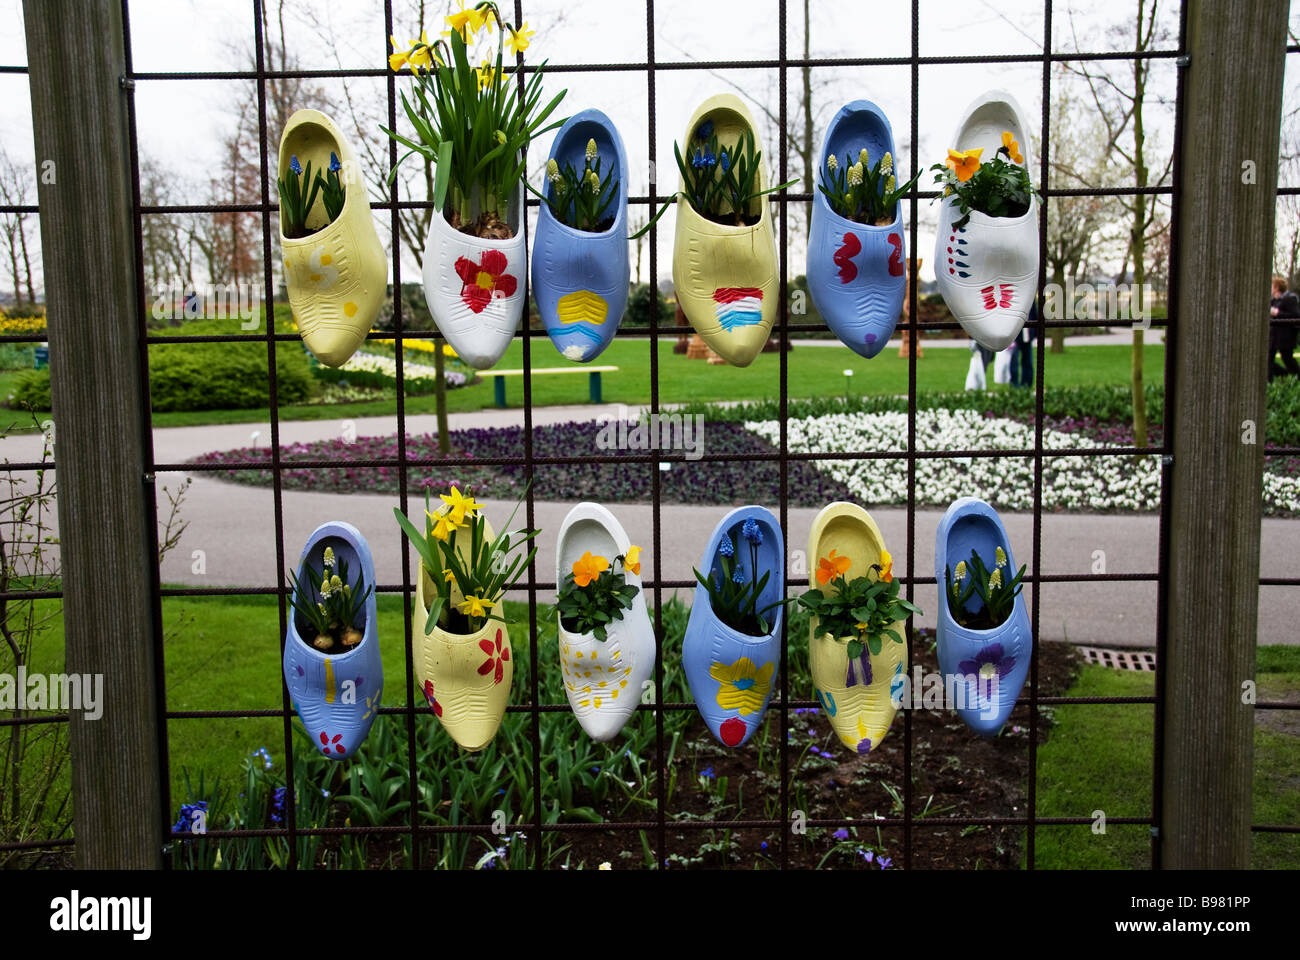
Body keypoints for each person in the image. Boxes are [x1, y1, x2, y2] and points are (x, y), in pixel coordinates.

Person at [1269, 275, 1300, 381]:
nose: (1271, 289)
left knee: (1287, 359)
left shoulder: (1289, 299)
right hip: (1273, 338)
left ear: (1277, 287)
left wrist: (1278, 313)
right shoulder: (1273, 301)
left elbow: (1295, 316)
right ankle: (1276, 378)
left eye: (1272, 286)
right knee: (1267, 361)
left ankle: (1295, 376)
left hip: (1285, 337)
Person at [1010, 302, 1036, 389]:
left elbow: (1034, 314)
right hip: (1015, 335)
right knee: (1014, 362)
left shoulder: (1030, 297)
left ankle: (1026, 385)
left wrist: (1035, 332)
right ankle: (1014, 385)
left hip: (1027, 335)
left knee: (1028, 362)